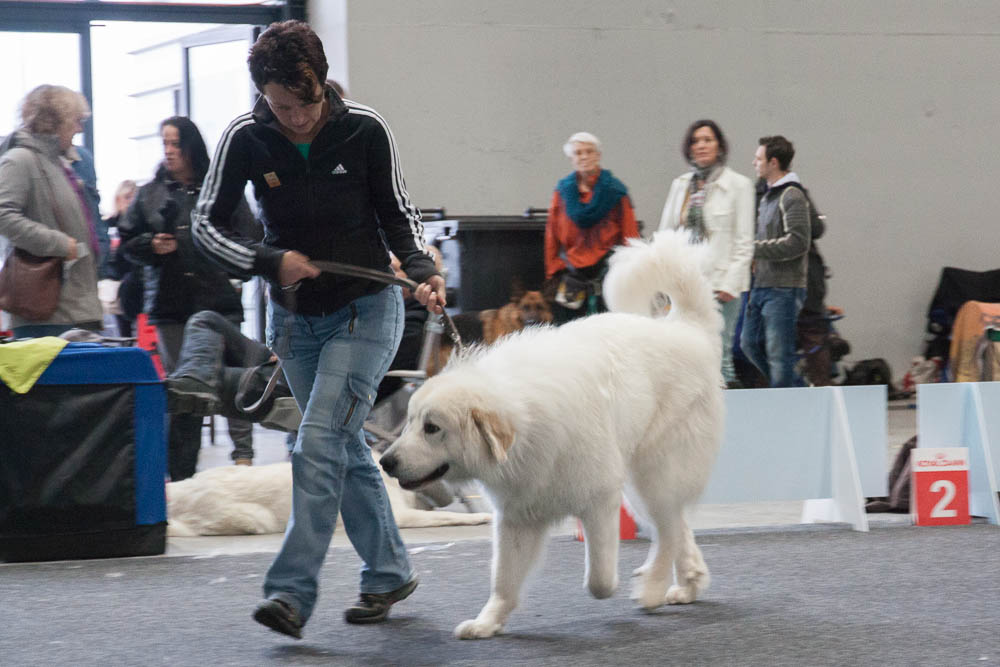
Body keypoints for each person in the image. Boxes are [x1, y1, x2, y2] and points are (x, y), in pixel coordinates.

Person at [190, 20, 445, 637]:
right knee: (342, 443)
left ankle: (290, 592)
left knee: (316, 443)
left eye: (304, 104)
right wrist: (266, 261)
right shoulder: (245, 138)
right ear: (263, 96)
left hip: (367, 310)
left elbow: (398, 213)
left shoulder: (364, 129)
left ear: (321, 86)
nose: (296, 119)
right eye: (281, 107)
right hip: (296, 321)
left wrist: (420, 270)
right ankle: (388, 571)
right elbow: (205, 224)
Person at [118, 116, 261, 479]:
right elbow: (126, 246)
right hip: (171, 306)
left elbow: (250, 237)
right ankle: (182, 475)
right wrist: (152, 245)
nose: (169, 151)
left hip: (219, 301)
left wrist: (231, 265)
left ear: (192, 147)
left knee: (236, 380)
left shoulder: (222, 189)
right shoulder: (149, 194)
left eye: (176, 144)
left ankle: (243, 460)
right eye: (164, 143)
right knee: (184, 389)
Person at [0, 85, 103, 338]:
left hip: (74, 306)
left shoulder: (59, 163)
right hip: (49, 312)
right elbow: (3, 215)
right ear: (53, 121)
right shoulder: (20, 160)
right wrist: (60, 244)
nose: (79, 129)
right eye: (75, 121)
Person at [658, 120, 754, 388]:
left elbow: (744, 241)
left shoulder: (739, 185)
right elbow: (666, 233)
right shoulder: (681, 185)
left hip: (721, 284)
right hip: (684, 283)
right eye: (695, 141)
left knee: (719, 355)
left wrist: (731, 283)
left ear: (719, 146)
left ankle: (727, 417)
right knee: (683, 354)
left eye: (707, 140)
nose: (701, 145)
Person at [544, 131, 639, 324]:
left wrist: (630, 272)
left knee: (610, 329)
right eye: (578, 153)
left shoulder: (615, 191)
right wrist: (554, 270)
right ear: (571, 158)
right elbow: (552, 233)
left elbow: (630, 235)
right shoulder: (562, 192)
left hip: (608, 272)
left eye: (589, 151)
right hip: (571, 273)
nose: (584, 157)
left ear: (598, 155)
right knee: (569, 331)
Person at [740, 135, 812, 388]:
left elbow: (798, 241)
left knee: (779, 354)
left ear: (773, 162)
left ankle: (787, 404)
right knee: (748, 343)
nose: (754, 163)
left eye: (758, 159)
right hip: (762, 285)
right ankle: (798, 390)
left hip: (785, 288)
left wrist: (754, 250)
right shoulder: (767, 197)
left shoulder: (792, 196)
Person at [104, 180, 140, 337]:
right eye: (127, 197)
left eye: (134, 197)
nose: (130, 201)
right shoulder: (108, 225)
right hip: (112, 286)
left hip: (132, 286)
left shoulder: (140, 225)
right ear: (118, 199)